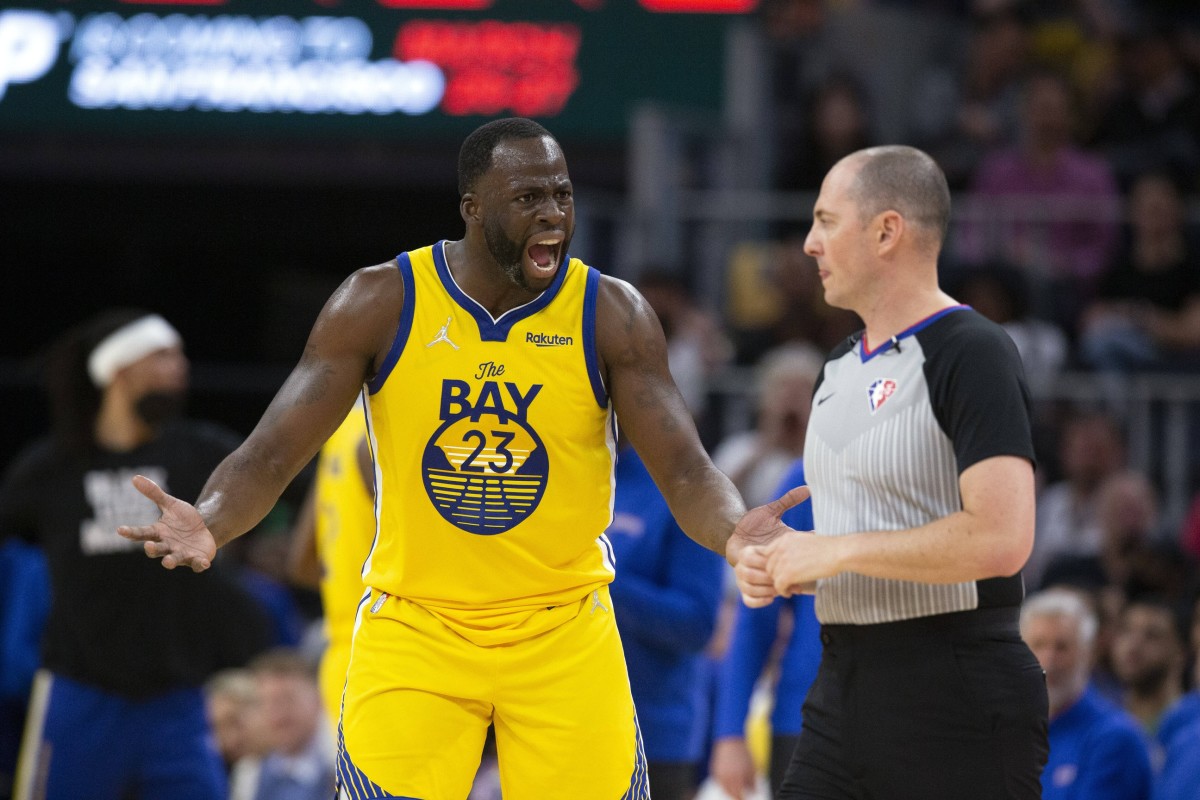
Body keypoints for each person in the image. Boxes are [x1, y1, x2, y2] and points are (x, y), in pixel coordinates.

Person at [116, 118, 794, 799]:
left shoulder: (609, 312)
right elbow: (269, 455)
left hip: (562, 628)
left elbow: (684, 468)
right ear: (473, 208)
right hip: (418, 626)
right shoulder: (381, 301)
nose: (553, 213)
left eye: (561, 194)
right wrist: (211, 519)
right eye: (529, 197)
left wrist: (734, 532)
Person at [735, 145, 1049, 799]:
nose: (809, 243)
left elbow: (1002, 539)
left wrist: (832, 549)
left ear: (886, 231)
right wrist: (774, 560)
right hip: (840, 686)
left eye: (826, 220)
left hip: (957, 693)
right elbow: (867, 541)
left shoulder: (974, 351)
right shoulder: (836, 367)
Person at [0, 308, 275, 800]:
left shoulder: (202, 452)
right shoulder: (52, 468)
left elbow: (271, 492)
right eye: (164, 355)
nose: (181, 366)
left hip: (178, 700)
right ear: (120, 370)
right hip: (79, 696)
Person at [604, 435, 726, 800]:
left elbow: (699, 623)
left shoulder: (680, 488)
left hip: (653, 736)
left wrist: (601, 582)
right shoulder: (559, 478)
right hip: (558, 727)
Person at [709, 456, 822, 800]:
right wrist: (729, 732)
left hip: (908, 718)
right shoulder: (808, 475)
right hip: (803, 719)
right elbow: (756, 617)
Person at [284, 397, 375, 733]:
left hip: (341, 658)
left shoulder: (339, 428)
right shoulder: (386, 431)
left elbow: (301, 563)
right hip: (394, 656)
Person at [1019, 588, 1153, 800]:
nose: (1048, 661)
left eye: (1062, 647)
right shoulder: (1010, 732)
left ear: (1088, 654)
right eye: (1038, 645)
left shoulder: (1114, 738)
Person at [244, 648, 335, 800]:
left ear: (317, 699)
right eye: (268, 703)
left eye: (288, 699)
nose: (279, 713)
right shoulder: (249, 773)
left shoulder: (343, 763)